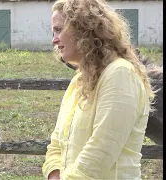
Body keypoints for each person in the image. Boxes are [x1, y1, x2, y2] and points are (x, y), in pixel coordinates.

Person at [42, 0, 155, 179]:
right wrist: (54, 174)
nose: (54, 40)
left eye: (58, 29)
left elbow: (101, 151)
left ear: (83, 28)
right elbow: (56, 144)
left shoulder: (121, 74)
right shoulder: (79, 81)